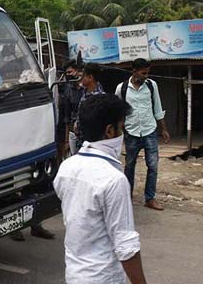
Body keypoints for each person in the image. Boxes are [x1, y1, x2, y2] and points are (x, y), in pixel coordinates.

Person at [54, 94, 147, 284]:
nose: (123, 134)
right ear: (110, 131)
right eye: (121, 128)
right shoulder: (114, 180)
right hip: (104, 278)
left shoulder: (66, 168)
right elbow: (126, 246)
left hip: (75, 275)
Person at [116, 58, 169, 211]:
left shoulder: (152, 86)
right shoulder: (122, 88)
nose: (146, 76)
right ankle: (127, 197)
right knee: (130, 166)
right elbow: (118, 110)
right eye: (143, 72)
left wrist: (163, 129)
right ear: (134, 71)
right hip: (131, 133)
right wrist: (119, 130)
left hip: (149, 131)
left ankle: (150, 198)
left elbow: (157, 108)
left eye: (148, 72)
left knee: (153, 166)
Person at [71, 63, 105, 150]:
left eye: (83, 76)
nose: (81, 78)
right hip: (81, 141)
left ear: (90, 77)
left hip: (92, 145)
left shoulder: (100, 98)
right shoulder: (84, 92)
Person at [58, 59, 83, 161]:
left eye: (70, 72)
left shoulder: (86, 87)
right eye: (66, 73)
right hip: (74, 131)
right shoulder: (68, 90)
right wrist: (67, 141)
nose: (68, 75)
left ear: (77, 71)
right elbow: (67, 117)